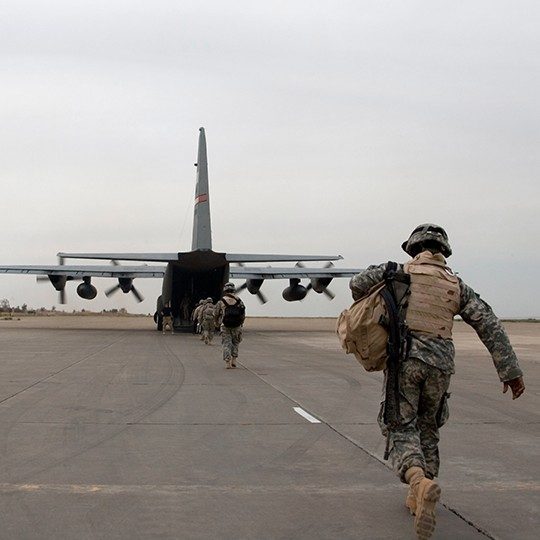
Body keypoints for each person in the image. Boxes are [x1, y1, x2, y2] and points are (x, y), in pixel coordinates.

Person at [349, 223, 525, 540]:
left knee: (401, 426)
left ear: (413, 248)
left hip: (405, 362)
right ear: (444, 251)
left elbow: (356, 285)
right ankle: (419, 499)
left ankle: (419, 481)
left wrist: (388, 274)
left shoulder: (395, 272)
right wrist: (510, 370)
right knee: (428, 426)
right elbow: (488, 323)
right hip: (441, 367)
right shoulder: (455, 284)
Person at [214, 283, 245, 369]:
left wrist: (216, 323)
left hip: (225, 326)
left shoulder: (221, 301)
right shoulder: (239, 300)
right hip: (237, 326)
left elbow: (216, 314)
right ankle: (234, 360)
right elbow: (243, 313)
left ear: (225, 290)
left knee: (226, 343)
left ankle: (227, 362)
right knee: (235, 342)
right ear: (234, 290)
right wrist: (241, 323)